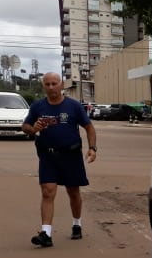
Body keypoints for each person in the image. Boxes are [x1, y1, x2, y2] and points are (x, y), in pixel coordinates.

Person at [21, 73, 97, 247]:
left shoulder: (74, 106)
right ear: (43, 86)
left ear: (61, 85)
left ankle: (77, 224)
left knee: (73, 192)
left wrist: (92, 148)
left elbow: (89, 127)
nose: (51, 87)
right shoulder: (38, 106)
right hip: (48, 155)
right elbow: (25, 126)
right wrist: (33, 128)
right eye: (47, 84)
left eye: (54, 83)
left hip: (71, 155)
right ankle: (46, 234)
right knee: (48, 191)